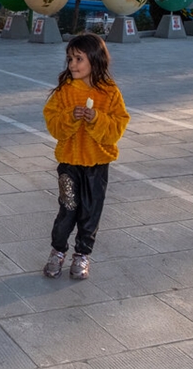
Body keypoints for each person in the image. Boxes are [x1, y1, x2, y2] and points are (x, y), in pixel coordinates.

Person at [41, 32, 130, 280]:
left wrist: (97, 119)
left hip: (97, 166)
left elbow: (116, 128)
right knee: (67, 209)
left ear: (95, 60)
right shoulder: (64, 92)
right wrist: (70, 117)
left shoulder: (110, 93)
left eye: (79, 59)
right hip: (69, 164)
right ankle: (57, 251)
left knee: (90, 212)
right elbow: (54, 125)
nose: (72, 65)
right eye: (70, 59)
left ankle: (82, 254)